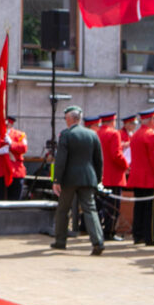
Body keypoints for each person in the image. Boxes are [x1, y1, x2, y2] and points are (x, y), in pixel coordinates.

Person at [51, 106, 105, 254]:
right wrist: (98, 179)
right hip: (88, 177)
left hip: (69, 179)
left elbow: (61, 160)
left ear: (70, 119)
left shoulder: (66, 135)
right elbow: (99, 159)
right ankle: (98, 241)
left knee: (63, 210)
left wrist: (57, 180)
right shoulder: (92, 135)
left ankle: (60, 241)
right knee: (90, 210)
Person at [128, 109, 154, 246]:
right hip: (149, 178)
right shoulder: (151, 135)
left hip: (137, 177)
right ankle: (151, 237)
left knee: (139, 208)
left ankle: (138, 235)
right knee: (151, 210)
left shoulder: (136, 134)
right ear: (151, 120)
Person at [97, 112, 128, 242]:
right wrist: (126, 165)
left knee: (100, 206)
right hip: (114, 176)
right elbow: (116, 155)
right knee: (113, 207)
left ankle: (99, 230)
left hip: (100, 175)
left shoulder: (97, 133)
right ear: (112, 121)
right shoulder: (114, 133)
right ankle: (109, 232)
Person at [0, 114, 27, 201]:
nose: (7, 125)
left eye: (9, 123)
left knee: (14, 199)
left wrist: (11, 143)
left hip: (15, 171)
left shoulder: (20, 135)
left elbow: (23, 148)